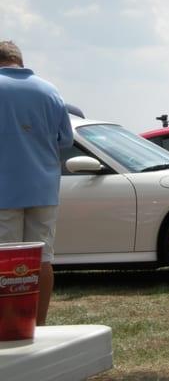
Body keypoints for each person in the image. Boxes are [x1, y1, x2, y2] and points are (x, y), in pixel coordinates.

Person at [0, 41, 73, 325]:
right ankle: (37, 324)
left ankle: (9, 325)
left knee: (5, 262)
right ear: (20, 60)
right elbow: (65, 140)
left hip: (4, 190)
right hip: (43, 188)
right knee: (43, 259)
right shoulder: (49, 89)